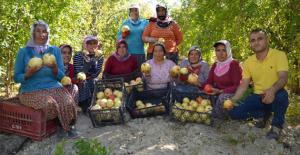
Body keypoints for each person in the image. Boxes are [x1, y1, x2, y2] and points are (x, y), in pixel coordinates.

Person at [14, 20, 78, 138]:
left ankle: (64, 127)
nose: (41, 34)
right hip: (30, 90)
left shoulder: (54, 50)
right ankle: (60, 122)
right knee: (50, 105)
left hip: (53, 87)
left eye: (44, 31)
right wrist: (28, 74)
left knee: (68, 102)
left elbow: (61, 75)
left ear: (48, 34)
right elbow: (16, 77)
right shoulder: (24, 52)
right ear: (33, 33)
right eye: (38, 31)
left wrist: (54, 68)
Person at [229, 29, 289, 140]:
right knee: (234, 112)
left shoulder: (279, 55)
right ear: (250, 44)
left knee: (283, 96)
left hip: (275, 94)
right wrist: (232, 101)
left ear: (267, 40)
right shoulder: (248, 62)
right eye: (253, 40)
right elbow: (244, 85)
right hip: (258, 97)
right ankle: (264, 115)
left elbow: (283, 78)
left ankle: (276, 126)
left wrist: (272, 90)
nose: (256, 42)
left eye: (260, 39)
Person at [204, 40, 242, 118]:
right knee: (203, 93)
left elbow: (237, 86)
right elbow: (209, 81)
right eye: (218, 50)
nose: (220, 53)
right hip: (218, 91)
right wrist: (207, 87)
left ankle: (221, 116)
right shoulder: (215, 65)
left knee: (222, 98)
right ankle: (209, 112)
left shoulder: (233, 64)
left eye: (224, 50)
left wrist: (221, 91)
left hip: (232, 93)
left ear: (228, 51)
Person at [73, 36, 104, 114]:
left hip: (91, 78)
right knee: (84, 82)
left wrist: (95, 61)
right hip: (80, 78)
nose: (92, 45)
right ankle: (84, 104)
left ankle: (94, 103)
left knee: (95, 82)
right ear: (85, 45)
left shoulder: (99, 56)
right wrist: (88, 62)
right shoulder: (79, 55)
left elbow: (96, 73)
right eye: (89, 43)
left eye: (94, 43)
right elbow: (79, 71)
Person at [116, 3, 148, 68]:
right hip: (127, 54)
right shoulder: (125, 22)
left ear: (139, 11)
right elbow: (118, 39)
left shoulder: (144, 22)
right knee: (128, 75)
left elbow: (148, 36)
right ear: (129, 13)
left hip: (140, 53)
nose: (134, 12)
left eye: (136, 10)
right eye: (132, 10)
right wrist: (123, 35)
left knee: (140, 75)